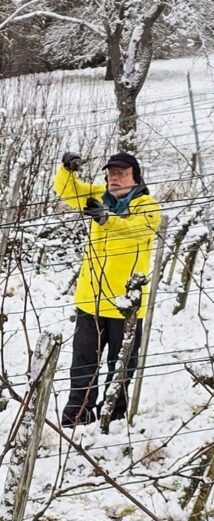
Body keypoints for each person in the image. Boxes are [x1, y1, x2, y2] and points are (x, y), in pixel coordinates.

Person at [53, 150, 160, 426]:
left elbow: (135, 229)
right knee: (83, 364)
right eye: (112, 173)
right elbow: (68, 191)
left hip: (128, 302)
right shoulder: (99, 195)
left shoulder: (148, 206)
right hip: (91, 298)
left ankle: (113, 417)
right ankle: (78, 416)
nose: (115, 177)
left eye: (122, 173)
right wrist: (67, 169)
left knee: (121, 365)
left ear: (136, 178)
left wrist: (105, 219)